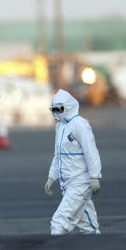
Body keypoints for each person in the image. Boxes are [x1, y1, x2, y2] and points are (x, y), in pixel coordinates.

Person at [44, 89, 103, 235]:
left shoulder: (80, 124)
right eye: (54, 109)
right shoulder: (60, 127)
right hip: (67, 184)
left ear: (68, 106)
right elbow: (58, 155)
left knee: (59, 222)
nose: (57, 112)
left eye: (60, 109)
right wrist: (52, 177)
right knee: (88, 226)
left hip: (80, 183)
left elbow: (91, 152)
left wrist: (94, 176)